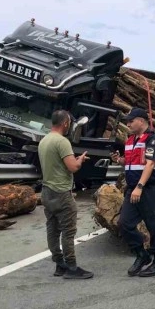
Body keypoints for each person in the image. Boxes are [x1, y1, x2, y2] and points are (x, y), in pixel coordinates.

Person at [111, 108, 155, 277]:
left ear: (142, 121)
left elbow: (150, 164)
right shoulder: (130, 140)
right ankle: (142, 255)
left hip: (149, 188)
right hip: (133, 188)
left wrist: (140, 186)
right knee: (124, 224)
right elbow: (132, 163)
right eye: (127, 121)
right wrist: (120, 160)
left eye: (131, 121)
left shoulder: (153, 139)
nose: (128, 124)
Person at [37, 110, 93, 279]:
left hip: (46, 191)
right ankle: (71, 267)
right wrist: (80, 160)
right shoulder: (62, 142)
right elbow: (73, 167)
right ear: (65, 123)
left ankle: (59, 264)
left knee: (52, 228)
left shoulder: (44, 140)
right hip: (61, 192)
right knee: (68, 231)